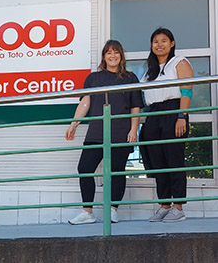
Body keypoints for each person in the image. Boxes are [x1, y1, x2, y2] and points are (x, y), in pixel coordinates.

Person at [65, 40, 143, 225]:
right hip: (96, 132)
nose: (112, 55)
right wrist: (74, 124)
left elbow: (135, 107)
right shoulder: (94, 78)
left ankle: (113, 210)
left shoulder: (130, 78)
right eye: (108, 52)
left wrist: (133, 130)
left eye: (116, 52)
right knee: (84, 168)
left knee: (116, 172)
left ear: (121, 56)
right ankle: (87, 212)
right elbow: (85, 102)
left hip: (121, 132)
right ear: (103, 56)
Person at [142, 27, 193, 223]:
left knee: (174, 158)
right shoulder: (149, 71)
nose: (159, 44)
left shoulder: (179, 62)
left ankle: (178, 207)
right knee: (158, 162)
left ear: (172, 43)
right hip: (153, 114)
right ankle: (164, 205)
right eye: (155, 41)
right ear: (151, 45)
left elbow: (187, 90)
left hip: (173, 111)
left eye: (164, 40)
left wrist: (182, 115)